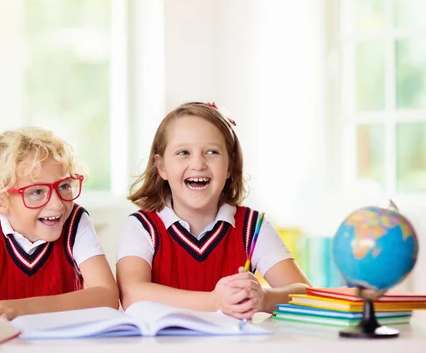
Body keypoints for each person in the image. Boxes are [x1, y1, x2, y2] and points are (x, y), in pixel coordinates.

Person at [116, 102, 311, 320]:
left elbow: (307, 294)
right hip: (162, 351)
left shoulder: (252, 227)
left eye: (212, 152)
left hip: (233, 352)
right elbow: (132, 294)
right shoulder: (141, 227)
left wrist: (265, 298)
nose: (198, 163)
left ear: (229, 166)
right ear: (161, 167)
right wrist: (214, 301)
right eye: (183, 152)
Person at [0, 127, 119, 319]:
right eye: (37, 192)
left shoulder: (76, 222)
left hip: (60, 346)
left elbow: (107, 295)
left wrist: (25, 308)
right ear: (0, 200)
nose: (57, 204)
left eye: (64, 186)